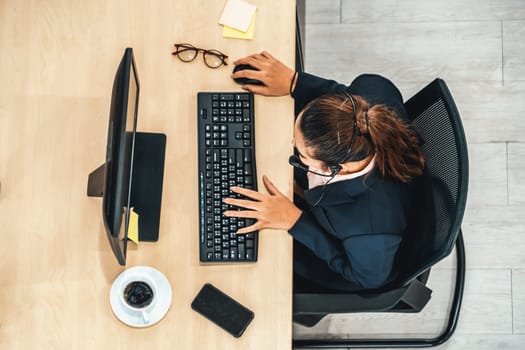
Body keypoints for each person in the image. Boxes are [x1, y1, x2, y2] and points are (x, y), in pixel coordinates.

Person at [223, 52, 425, 291]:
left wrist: (295, 221)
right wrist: (295, 83)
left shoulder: (368, 233)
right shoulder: (372, 93)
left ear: (333, 169)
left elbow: (369, 279)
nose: (292, 147)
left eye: (301, 154)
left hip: (339, 255)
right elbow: (340, 105)